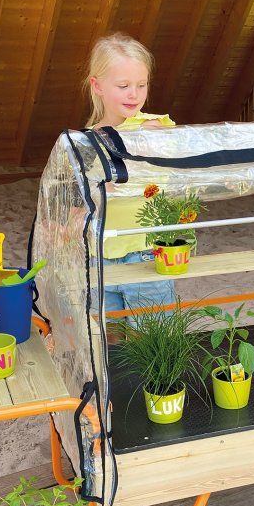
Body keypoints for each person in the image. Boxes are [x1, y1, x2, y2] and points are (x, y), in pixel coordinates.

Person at [84, 33, 177, 336]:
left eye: (141, 85)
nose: (134, 94)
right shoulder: (89, 136)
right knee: (109, 339)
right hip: (100, 256)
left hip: (145, 253)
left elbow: (151, 169)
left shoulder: (153, 127)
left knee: (152, 339)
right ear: (97, 86)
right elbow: (87, 195)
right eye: (123, 86)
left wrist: (107, 188)